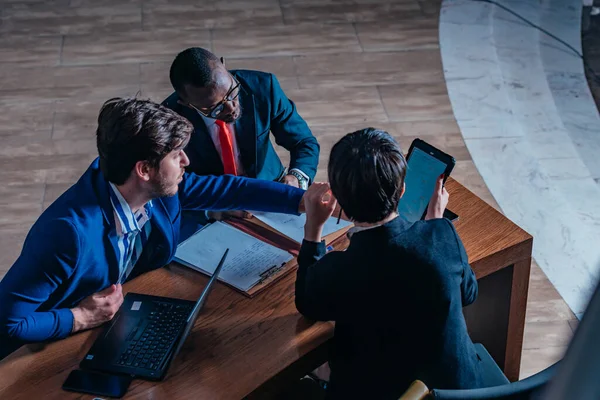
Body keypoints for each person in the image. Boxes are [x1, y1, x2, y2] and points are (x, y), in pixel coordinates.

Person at [0, 98, 311, 360]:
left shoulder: (157, 189)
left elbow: (230, 189)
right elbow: (10, 323)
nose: (187, 161)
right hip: (44, 352)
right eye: (177, 155)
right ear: (144, 170)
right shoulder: (66, 233)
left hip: (126, 319)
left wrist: (304, 200)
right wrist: (79, 317)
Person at [296, 128, 484, 399]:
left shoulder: (338, 269)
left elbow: (307, 302)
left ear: (342, 206)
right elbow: (469, 293)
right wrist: (435, 225)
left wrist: (313, 229)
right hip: (461, 392)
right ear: (403, 189)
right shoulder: (442, 235)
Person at [163, 47, 319, 190]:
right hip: (212, 201)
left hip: (270, 186)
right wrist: (210, 211)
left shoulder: (263, 87)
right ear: (187, 104)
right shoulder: (168, 120)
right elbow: (169, 182)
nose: (231, 108)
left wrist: (296, 177)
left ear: (224, 65)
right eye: (215, 108)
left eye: (232, 92)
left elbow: (303, 141)